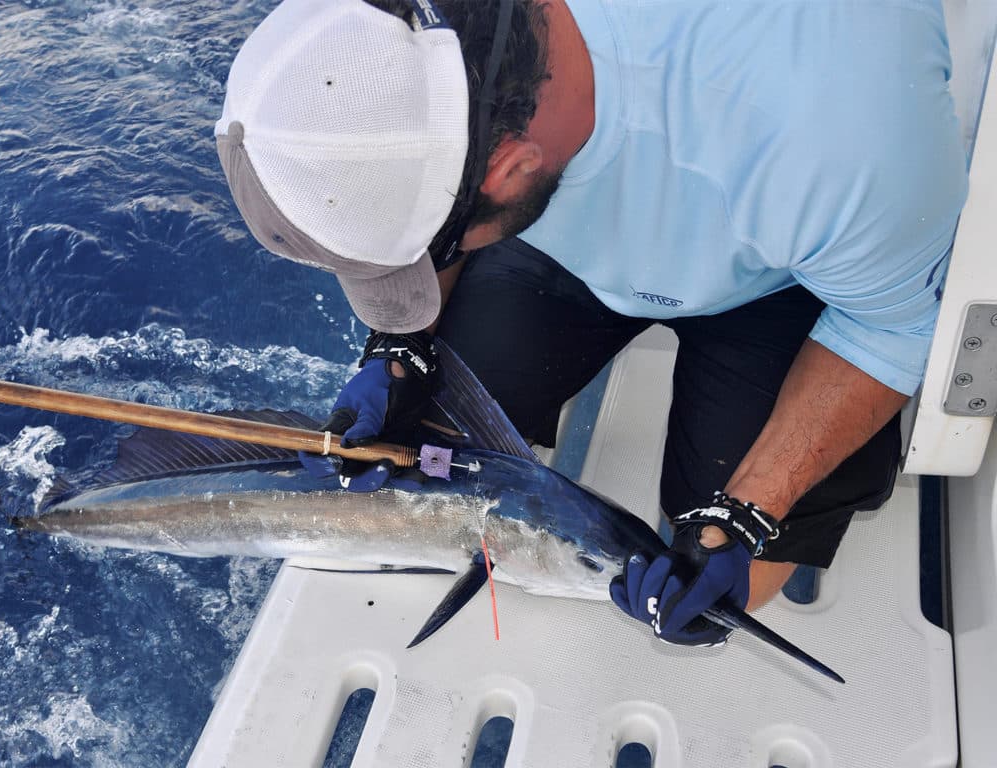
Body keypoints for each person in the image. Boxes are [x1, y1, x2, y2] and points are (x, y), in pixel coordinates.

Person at [214, 0, 969, 646]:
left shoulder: (837, 145)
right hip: (554, 235)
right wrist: (401, 343)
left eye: (424, 250)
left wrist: (747, 513)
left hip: (780, 275)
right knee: (413, 450)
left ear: (508, 167)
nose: (418, 271)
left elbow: (889, 328)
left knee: (731, 589)